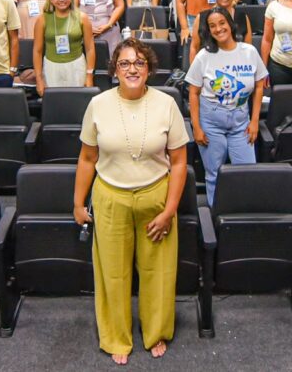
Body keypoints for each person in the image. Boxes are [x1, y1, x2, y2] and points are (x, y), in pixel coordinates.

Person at [74, 38, 188, 364]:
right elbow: (87, 158)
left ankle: (156, 332)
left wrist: (170, 211)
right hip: (111, 198)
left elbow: (179, 162)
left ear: (149, 69)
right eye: (124, 63)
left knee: (158, 272)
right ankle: (116, 337)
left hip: (156, 199)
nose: (132, 69)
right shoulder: (98, 105)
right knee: (112, 273)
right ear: (115, 70)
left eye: (139, 62)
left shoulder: (167, 104)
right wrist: (78, 203)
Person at [188, 6, 268, 205]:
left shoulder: (249, 51)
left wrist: (255, 121)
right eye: (212, 26)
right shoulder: (203, 56)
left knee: (247, 172)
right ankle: (217, 214)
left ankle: (242, 212)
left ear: (230, 24)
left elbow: (259, 86)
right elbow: (193, 93)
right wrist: (196, 127)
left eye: (222, 23)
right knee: (214, 173)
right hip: (211, 120)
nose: (218, 29)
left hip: (241, 121)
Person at [33, 0, 96, 95]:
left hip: (76, 66)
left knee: (78, 102)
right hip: (51, 67)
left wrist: (89, 75)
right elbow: (37, 51)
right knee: (55, 103)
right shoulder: (42, 19)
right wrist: (39, 79)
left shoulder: (82, 18)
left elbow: (90, 49)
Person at [189, 0, 252, 64]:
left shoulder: (242, 18)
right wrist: (194, 71)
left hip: (236, 68)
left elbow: (248, 50)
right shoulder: (201, 17)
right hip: (208, 68)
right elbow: (194, 48)